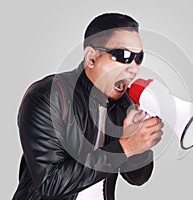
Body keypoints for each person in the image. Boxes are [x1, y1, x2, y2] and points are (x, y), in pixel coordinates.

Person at [12, 13, 164, 200]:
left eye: (138, 58)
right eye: (123, 56)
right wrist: (125, 147)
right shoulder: (48, 97)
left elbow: (137, 178)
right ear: (91, 57)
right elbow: (50, 183)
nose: (133, 67)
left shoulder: (123, 105)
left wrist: (138, 142)